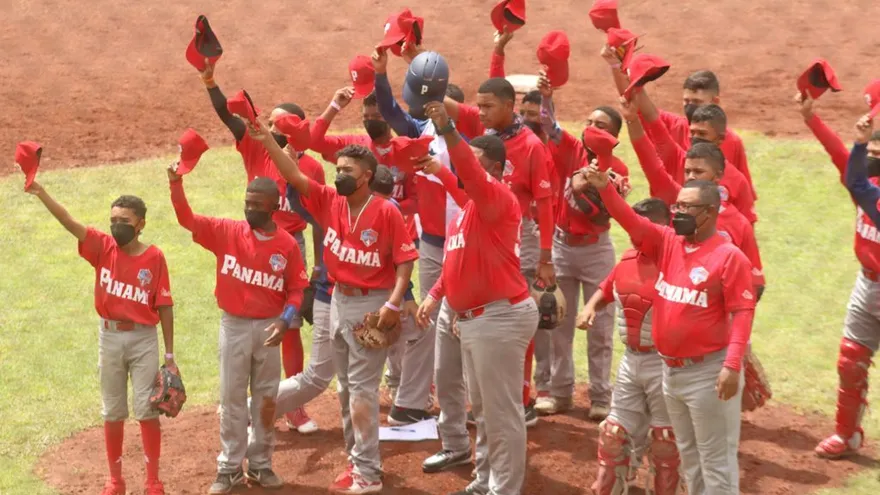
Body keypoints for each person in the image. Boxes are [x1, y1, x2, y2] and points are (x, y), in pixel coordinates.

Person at [253, 119, 418, 493]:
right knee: (345, 389)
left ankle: (368, 473)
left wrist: (394, 303)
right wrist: (268, 143)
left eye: (348, 171)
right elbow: (293, 175)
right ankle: (356, 461)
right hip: (338, 299)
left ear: (366, 176)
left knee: (361, 390)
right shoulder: (331, 201)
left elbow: (405, 259)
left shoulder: (386, 211)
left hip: (371, 303)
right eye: (338, 169)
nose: (340, 175)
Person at [583, 165, 755, 495]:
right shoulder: (668, 242)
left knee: (715, 462)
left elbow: (743, 313)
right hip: (670, 372)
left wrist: (732, 365)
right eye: (677, 205)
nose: (678, 212)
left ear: (709, 212)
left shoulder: (728, 257)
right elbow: (632, 222)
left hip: (707, 373)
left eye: (687, 207)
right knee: (689, 456)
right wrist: (606, 190)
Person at [416, 101, 539, 495]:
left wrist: (448, 130)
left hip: (499, 317)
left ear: (496, 170)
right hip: (476, 317)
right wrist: (437, 295)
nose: (462, 167)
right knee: (484, 409)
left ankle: (504, 488)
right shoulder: (468, 212)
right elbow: (456, 264)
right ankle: (486, 479)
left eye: (473, 162)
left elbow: (467, 171)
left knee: (501, 413)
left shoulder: (498, 198)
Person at [196, 58, 323, 433]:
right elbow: (228, 116)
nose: (271, 127)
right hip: (252, 245)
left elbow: (319, 218)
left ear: (295, 129)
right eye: (270, 122)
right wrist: (210, 80)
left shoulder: (312, 169)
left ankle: (293, 406)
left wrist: (318, 267)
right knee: (252, 323)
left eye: (279, 123)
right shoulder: (256, 150)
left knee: (291, 326)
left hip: (292, 246)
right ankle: (240, 406)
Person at [25, 182, 174, 495]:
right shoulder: (102, 247)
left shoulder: (155, 257)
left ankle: (153, 481)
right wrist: (41, 193)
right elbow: (68, 221)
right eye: (113, 220)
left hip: (143, 339)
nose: (117, 226)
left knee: (147, 410)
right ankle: (115, 480)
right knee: (112, 410)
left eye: (124, 221)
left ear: (141, 224)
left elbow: (164, 305)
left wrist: (170, 356)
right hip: (109, 338)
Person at [168, 167, 307, 493]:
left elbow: (297, 290)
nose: (250, 209)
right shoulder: (226, 232)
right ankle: (229, 468)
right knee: (231, 398)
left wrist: (285, 320)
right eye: (247, 203)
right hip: (234, 326)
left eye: (257, 205)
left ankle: (260, 465)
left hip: (270, 327)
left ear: (274, 207)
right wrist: (176, 183)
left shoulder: (287, 245)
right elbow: (186, 218)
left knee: (266, 400)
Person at [444, 77, 556, 424]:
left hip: (517, 239)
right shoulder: (487, 134)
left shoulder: (532, 145)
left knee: (516, 313)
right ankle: (483, 396)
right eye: (479, 106)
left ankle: (522, 396)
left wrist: (546, 257)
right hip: (483, 235)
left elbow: (545, 202)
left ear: (509, 106)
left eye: (488, 106)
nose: (481, 113)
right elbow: (450, 108)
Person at [532, 77, 629, 420]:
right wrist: (547, 98)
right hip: (562, 247)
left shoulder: (618, 170)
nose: (591, 128)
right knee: (557, 321)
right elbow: (549, 126)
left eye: (600, 125)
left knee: (600, 327)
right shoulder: (571, 149)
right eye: (588, 122)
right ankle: (559, 393)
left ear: (613, 137)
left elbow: (603, 213)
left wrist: (590, 184)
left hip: (595, 251)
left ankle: (601, 396)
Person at [575, 198, 682, 495]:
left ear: (663, 227)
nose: (635, 233)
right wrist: (590, 308)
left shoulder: (677, 263)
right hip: (630, 362)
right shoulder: (627, 259)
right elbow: (606, 287)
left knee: (665, 440)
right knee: (613, 434)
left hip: (664, 363)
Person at [621, 99, 766, 298]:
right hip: (669, 300)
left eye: (698, 172)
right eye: (687, 171)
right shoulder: (674, 194)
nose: (690, 177)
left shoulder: (739, 223)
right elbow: (648, 157)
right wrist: (632, 120)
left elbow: (753, 282)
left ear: (718, 176)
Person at [809, 106, 880, 457]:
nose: (872, 160)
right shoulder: (868, 189)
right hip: (867, 284)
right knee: (850, 360)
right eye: (871, 154)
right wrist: (812, 118)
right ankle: (846, 433)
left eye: (878, 155)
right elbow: (844, 161)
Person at [600, 46, 754, 195]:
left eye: (697, 101)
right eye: (686, 101)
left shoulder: (733, 142)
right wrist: (616, 66)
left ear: (715, 101)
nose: (690, 107)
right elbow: (635, 103)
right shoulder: (673, 127)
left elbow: (742, 191)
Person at [369, 166, 433, 424]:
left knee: (418, 328)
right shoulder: (347, 208)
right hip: (350, 298)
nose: (384, 206)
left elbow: (401, 258)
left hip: (388, 293)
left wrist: (406, 297)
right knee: (321, 375)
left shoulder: (391, 210)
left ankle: (403, 392)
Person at [633, 94, 757, 224]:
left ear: (720, 138)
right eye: (692, 132)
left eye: (702, 133)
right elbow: (652, 121)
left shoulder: (738, 181)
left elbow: (746, 227)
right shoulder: (677, 158)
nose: (695, 137)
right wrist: (634, 93)